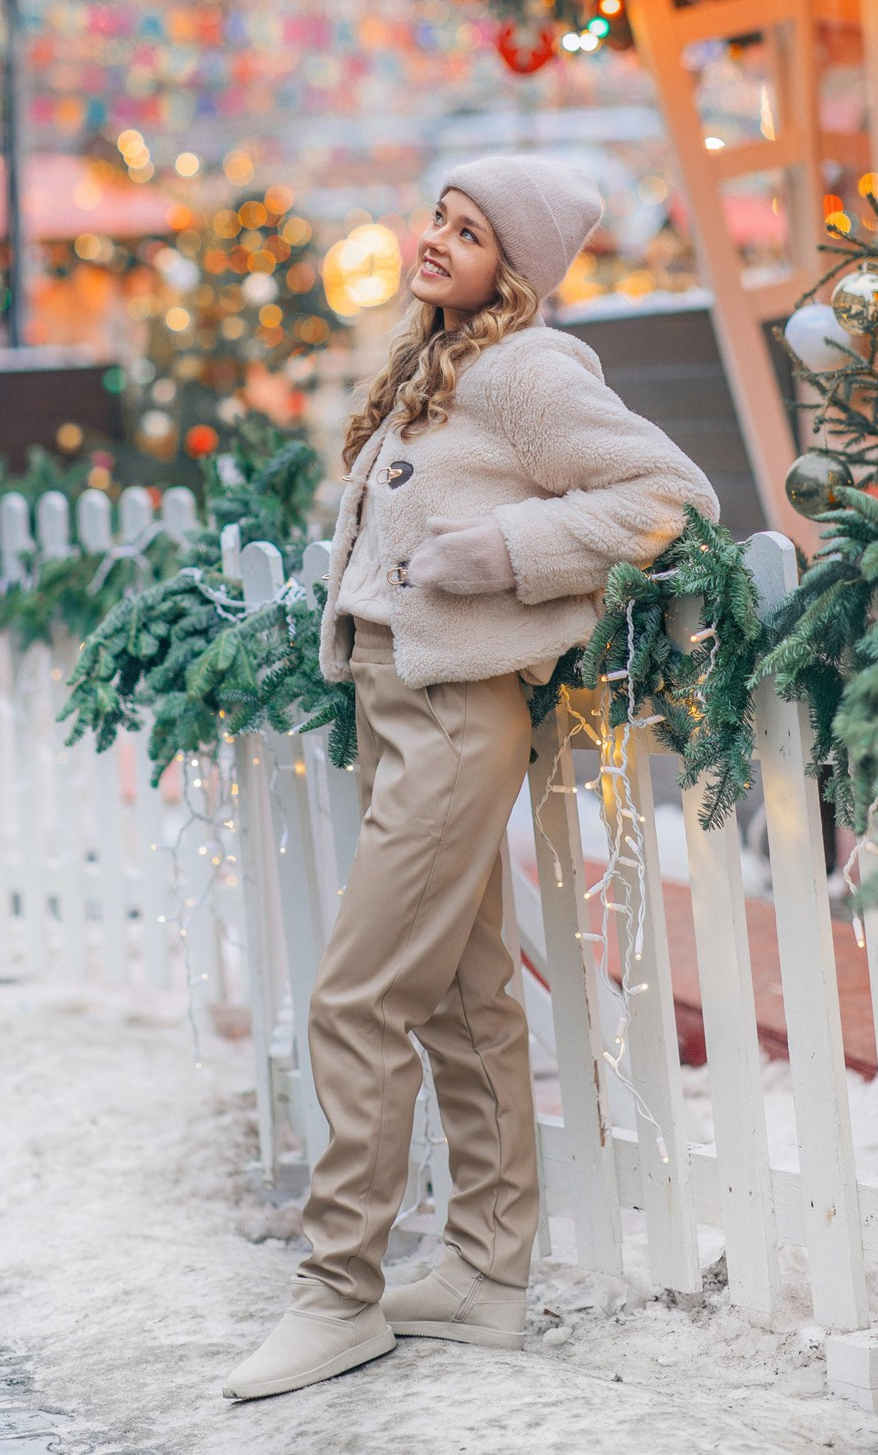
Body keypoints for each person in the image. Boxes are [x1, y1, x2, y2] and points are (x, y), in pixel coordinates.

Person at [224, 154, 719, 1402]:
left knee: (357, 993)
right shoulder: (438, 362)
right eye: (439, 218)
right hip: (399, 697)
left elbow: (673, 495)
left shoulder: (528, 370)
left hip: (456, 711)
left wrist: (508, 549)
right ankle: (489, 1273)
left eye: (472, 231)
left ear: (522, 266)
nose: (438, 240)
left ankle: (340, 1289)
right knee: (455, 988)